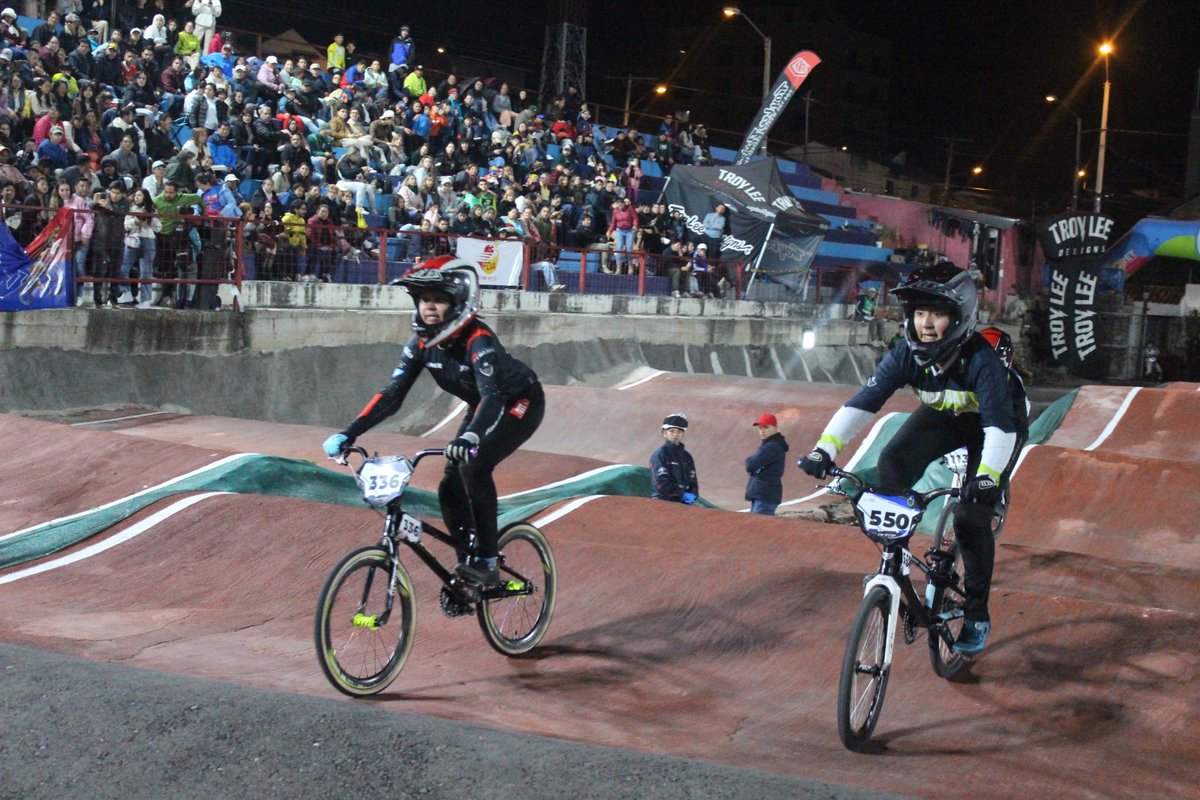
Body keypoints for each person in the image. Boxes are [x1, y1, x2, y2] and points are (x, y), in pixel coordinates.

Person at [798, 262, 1018, 657]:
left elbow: (1000, 430)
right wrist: (824, 449)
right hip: (946, 415)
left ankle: (977, 614)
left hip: (994, 425)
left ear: (959, 316)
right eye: (918, 313)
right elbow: (863, 403)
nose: (926, 324)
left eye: (936, 313)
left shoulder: (981, 361)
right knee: (892, 465)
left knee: (970, 517)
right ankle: (893, 562)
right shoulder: (905, 354)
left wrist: (987, 478)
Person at [322, 257, 544, 588]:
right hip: (481, 405)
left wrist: (470, 438)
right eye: (425, 299)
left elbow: (494, 396)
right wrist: (348, 433)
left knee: (474, 466)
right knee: (449, 485)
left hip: (517, 402)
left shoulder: (478, 340)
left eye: (439, 299)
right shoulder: (422, 345)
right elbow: (392, 395)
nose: (430, 307)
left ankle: (487, 561)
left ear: (458, 302)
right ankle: (466, 563)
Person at [744, 413, 788, 516]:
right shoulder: (770, 445)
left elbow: (751, 465)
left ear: (774, 428)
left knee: (757, 528)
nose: (762, 431)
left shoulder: (772, 447)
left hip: (764, 496)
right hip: (763, 495)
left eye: (765, 427)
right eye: (759, 428)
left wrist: (749, 461)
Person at [650, 412, 699, 504]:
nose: (675, 435)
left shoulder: (687, 457)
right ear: (664, 433)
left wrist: (693, 495)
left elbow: (693, 482)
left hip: (683, 504)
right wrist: (681, 495)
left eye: (679, 431)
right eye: (672, 431)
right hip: (662, 503)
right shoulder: (660, 454)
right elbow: (660, 483)